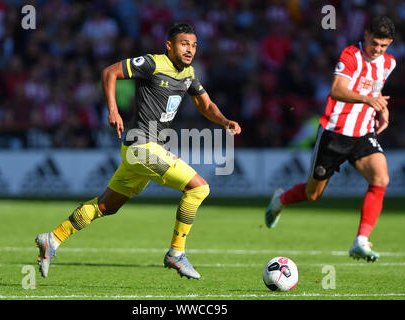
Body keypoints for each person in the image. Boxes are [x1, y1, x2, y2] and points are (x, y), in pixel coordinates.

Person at [35, 23, 241, 279]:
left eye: (194, 45)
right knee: (198, 188)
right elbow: (110, 72)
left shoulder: (188, 73)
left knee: (105, 206)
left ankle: (52, 239)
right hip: (141, 147)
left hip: (143, 150)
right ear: (169, 45)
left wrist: (224, 121)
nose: (190, 50)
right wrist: (113, 109)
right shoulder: (153, 64)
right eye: (184, 44)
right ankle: (176, 253)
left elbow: (205, 104)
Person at [265, 16, 396, 262]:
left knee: (381, 178)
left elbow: (375, 88)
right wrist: (369, 100)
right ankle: (280, 200)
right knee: (313, 194)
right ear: (365, 34)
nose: (378, 50)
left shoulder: (389, 63)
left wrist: (382, 108)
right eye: (375, 43)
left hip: (363, 132)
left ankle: (361, 241)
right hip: (335, 132)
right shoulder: (351, 55)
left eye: (384, 46)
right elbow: (336, 89)